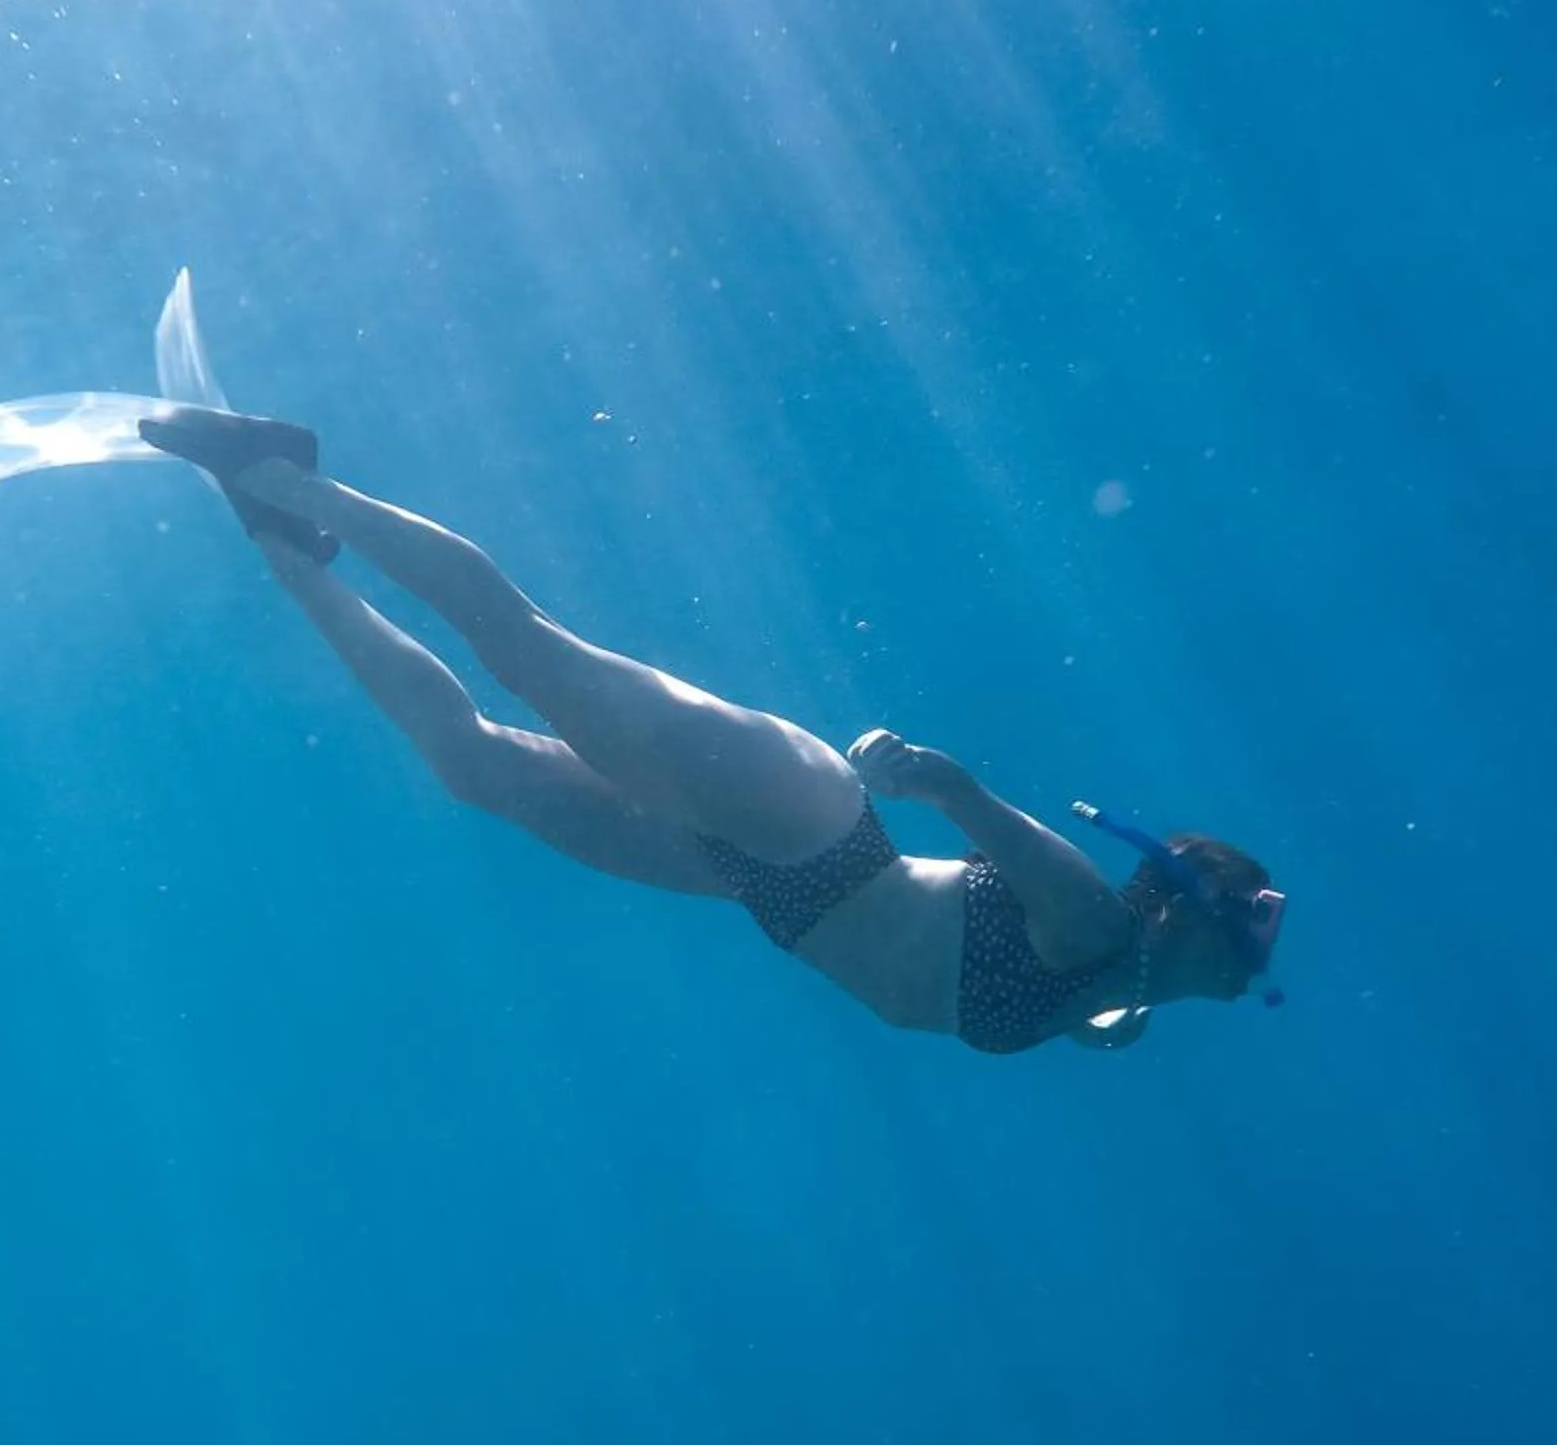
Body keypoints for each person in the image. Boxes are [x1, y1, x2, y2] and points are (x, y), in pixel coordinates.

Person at [136, 406, 1285, 1055]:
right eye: (1258, 930)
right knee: (530, 653)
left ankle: (282, 548)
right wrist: (932, 778)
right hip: (817, 832)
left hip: (768, 887)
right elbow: (989, 817)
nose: (1265, 963)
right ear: (1188, 903)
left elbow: (1097, 1006)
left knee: (475, 767)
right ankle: (285, 471)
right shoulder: (1090, 918)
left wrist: (1106, 1018)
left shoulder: (1111, 991)